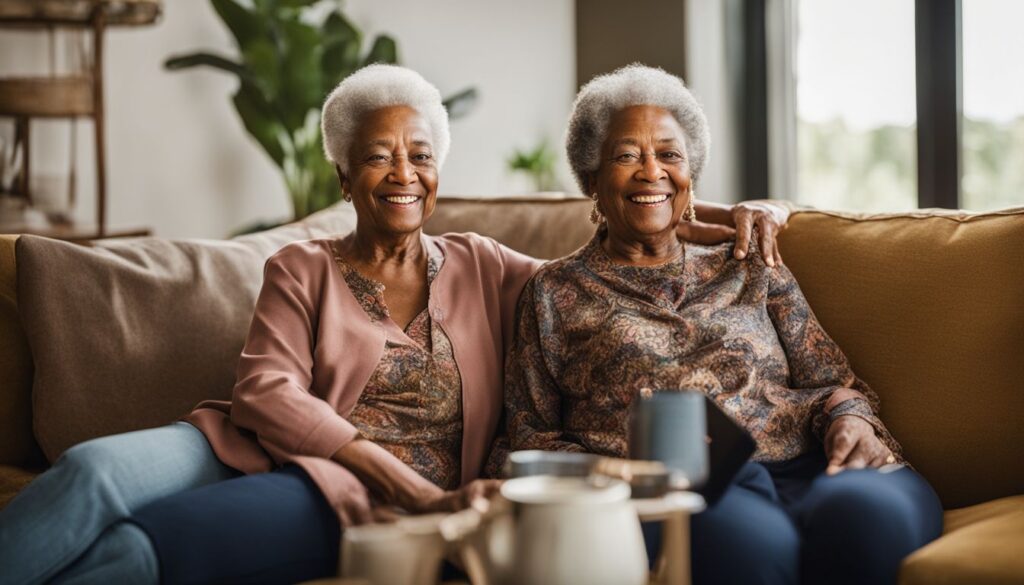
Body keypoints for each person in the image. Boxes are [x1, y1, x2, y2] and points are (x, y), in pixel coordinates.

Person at [0, 65, 789, 585]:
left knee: (139, 548)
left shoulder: (489, 266)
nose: (403, 172)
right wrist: (403, 481)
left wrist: (703, 209)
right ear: (345, 175)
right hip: (242, 443)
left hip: (335, 490)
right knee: (94, 471)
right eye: (379, 156)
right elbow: (265, 393)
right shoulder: (301, 268)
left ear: (438, 172)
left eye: (419, 154)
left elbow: (598, 259)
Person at [503, 64, 943, 585]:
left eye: (669, 154)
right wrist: (623, 473)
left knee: (867, 517)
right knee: (744, 546)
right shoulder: (555, 291)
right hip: (684, 490)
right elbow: (529, 436)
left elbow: (833, 381)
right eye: (627, 156)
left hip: (811, 464)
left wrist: (851, 420)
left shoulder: (748, 261)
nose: (652, 171)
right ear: (592, 181)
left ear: (691, 176)